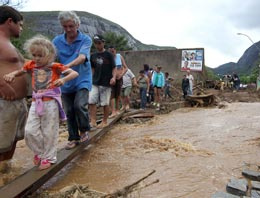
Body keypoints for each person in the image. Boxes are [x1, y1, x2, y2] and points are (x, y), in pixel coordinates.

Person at [4, 35, 78, 170]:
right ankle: (40, 152)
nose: (36, 58)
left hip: (50, 103)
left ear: (49, 55)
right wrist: (12, 75)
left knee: (49, 131)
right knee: (29, 130)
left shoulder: (55, 66)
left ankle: (49, 157)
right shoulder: (31, 65)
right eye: (34, 55)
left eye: (40, 55)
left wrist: (63, 80)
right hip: (35, 101)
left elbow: (73, 73)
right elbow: (22, 71)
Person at [53, 11, 92, 149]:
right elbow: (52, 58)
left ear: (77, 24)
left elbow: (82, 58)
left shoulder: (85, 39)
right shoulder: (57, 41)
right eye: (65, 27)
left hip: (82, 79)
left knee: (79, 105)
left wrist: (66, 66)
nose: (69, 29)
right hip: (66, 81)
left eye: (71, 26)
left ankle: (85, 130)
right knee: (69, 110)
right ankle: (73, 137)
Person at [0, 6, 28, 162]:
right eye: (20, 24)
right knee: (1, 145)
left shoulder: (8, 44)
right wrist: (2, 85)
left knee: (12, 143)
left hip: (17, 103)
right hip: (4, 102)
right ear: (10, 21)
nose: (21, 28)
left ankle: (5, 178)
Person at [89, 35, 116, 128]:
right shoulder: (93, 56)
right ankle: (93, 121)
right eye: (96, 43)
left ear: (103, 43)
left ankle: (104, 121)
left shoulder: (109, 55)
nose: (98, 45)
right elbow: (92, 67)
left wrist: (114, 77)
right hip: (95, 82)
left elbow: (114, 67)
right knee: (91, 100)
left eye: (99, 43)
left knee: (105, 103)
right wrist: (91, 77)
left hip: (106, 82)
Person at [108, 46, 128, 118]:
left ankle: (117, 109)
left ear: (115, 51)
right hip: (111, 79)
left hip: (119, 78)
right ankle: (113, 111)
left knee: (118, 94)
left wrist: (121, 75)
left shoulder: (119, 56)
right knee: (112, 95)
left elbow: (126, 68)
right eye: (110, 52)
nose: (112, 53)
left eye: (113, 51)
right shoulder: (108, 58)